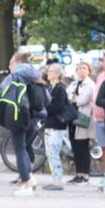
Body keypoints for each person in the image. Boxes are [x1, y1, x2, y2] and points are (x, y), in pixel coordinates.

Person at [3, 50, 41, 195]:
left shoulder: (15, 75)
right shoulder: (36, 75)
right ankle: (30, 178)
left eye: (11, 62)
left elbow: (3, 93)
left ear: (18, 62)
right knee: (24, 148)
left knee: (19, 149)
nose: (9, 65)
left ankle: (26, 185)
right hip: (34, 115)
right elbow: (47, 98)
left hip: (18, 114)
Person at [41, 63, 69, 191]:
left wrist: (45, 105)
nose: (48, 73)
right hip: (49, 124)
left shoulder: (60, 89)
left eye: (51, 71)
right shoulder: (49, 88)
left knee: (54, 153)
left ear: (57, 74)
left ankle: (58, 182)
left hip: (57, 126)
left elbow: (59, 107)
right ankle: (55, 179)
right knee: (49, 153)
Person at [67, 61, 96, 185]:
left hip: (84, 118)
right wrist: (73, 99)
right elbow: (67, 96)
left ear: (89, 70)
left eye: (84, 68)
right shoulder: (73, 83)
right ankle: (78, 174)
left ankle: (85, 175)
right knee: (75, 146)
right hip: (72, 117)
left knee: (83, 146)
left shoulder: (90, 84)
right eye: (79, 68)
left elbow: (83, 100)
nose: (81, 70)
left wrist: (73, 99)